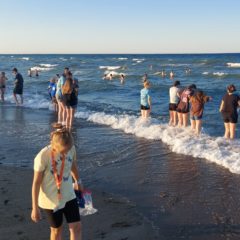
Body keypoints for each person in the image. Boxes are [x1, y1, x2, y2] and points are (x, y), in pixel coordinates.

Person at [31, 128, 82, 240]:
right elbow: (36, 182)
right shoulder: (43, 156)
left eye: (68, 150)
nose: (67, 153)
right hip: (51, 201)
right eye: (64, 151)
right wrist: (35, 208)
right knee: (56, 230)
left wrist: (78, 181)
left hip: (69, 195)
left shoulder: (71, 148)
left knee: (76, 227)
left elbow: (72, 164)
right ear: (54, 147)